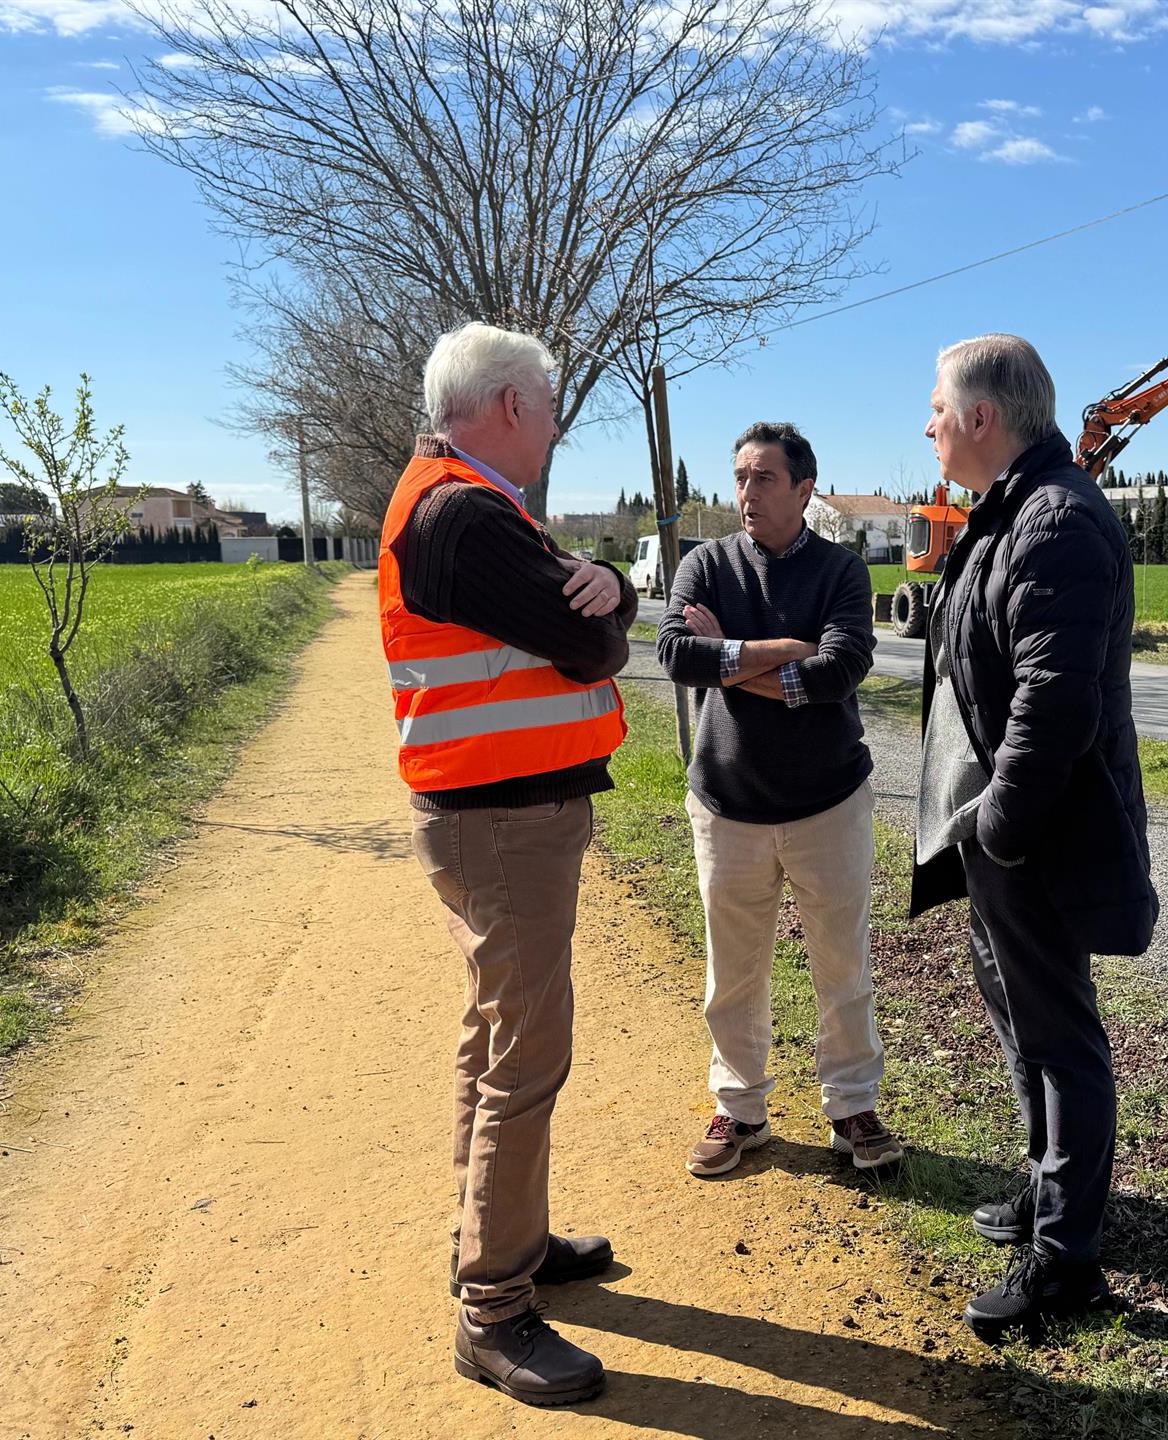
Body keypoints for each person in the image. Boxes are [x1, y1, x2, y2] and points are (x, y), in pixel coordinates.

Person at [380, 321, 637, 1408]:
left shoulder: (461, 502)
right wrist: (608, 600)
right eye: (550, 400)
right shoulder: (467, 515)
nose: (554, 419)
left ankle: (500, 1243)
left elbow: (590, 604)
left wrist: (606, 580)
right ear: (509, 408)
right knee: (524, 1056)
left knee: (496, 1036)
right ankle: (492, 1310)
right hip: (503, 824)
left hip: (489, 815)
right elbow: (588, 642)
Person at [908, 334, 1157, 1342]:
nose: (926, 424)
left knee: (1059, 1037)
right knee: (1023, 1022)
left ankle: (1065, 1264)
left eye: (935, 407)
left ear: (980, 416)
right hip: (999, 831)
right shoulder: (1013, 507)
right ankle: (1050, 1194)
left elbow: (1055, 700)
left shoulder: (1055, 519)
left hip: (1034, 836)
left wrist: (1000, 829)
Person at [656, 422, 903, 1179]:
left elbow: (840, 671)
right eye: (739, 476)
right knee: (732, 971)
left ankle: (852, 1105)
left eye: (763, 478)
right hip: (728, 806)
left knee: (842, 965)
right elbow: (674, 654)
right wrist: (784, 652)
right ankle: (740, 1109)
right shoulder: (705, 563)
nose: (745, 493)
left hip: (828, 803)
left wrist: (727, 655)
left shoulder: (842, 572)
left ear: (803, 490)